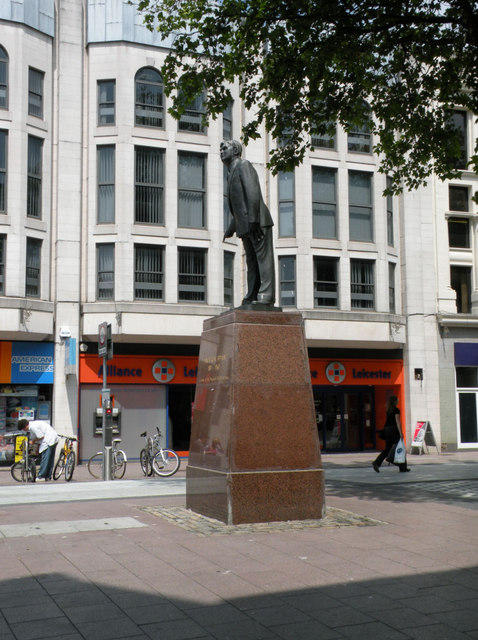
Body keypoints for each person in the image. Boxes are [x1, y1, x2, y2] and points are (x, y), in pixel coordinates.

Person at [220, 139, 276, 305]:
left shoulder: (243, 165)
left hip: (257, 223)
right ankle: (252, 293)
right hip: (245, 226)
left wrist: (253, 220)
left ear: (236, 150)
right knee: (251, 262)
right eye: (221, 148)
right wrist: (232, 227)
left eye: (225, 147)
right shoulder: (231, 172)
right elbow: (238, 205)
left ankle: (266, 295)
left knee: (263, 260)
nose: (221, 150)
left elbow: (253, 193)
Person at [372, 395, 410, 473]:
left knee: (387, 448)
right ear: (395, 401)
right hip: (394, 430)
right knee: (400, 448)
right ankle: (402, 467)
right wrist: (401, 433)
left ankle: (377, 462)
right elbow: (397, 422)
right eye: (397, 399)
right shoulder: (396, 410)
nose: (398, 400)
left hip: (387, 430)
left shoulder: (388, 410)